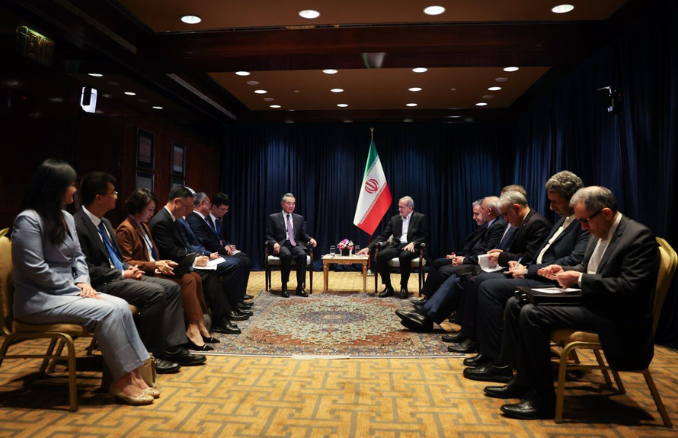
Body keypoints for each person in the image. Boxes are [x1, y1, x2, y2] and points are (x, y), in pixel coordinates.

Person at [486, 186, 659, 420]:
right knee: (518, 302)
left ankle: (543, 399)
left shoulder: (638, 237)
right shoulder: (599, 229)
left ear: (606, 213)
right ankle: (522, 381)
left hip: (615, 315)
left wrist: (579, 278)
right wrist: (563, 269)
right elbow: (587, 267)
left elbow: (630, 288)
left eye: (585, 221)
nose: (583, 228)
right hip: (591, 302)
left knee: (532, 314)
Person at [11, 159, 155, 405]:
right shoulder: (28, 220)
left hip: (68, 292)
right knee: (107, 311)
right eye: (71, 184)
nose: (75, 190)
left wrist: (83, 282)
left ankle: (134, 373)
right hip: (38, 299)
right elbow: (35, 268)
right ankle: (121, 380)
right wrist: (73, 288)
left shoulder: (66, 217)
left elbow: (78, 257)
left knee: (121, 305)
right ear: (55, 187)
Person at [74, 172, 206, 373]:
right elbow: (86, 269)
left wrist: (129, 268)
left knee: (172, 288)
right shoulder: (78, 224)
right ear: (99, 198)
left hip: (120, 277)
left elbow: (118, 260)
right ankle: (152, 354)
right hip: (100, 284)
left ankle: (172, 347)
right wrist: (122, 273)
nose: (117, 196)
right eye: (113, 192)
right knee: (157, 292)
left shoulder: (105, 223)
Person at [464, 171, 589, 380]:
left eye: (555, 202)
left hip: (553, 282)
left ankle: (497, 359)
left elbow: (574, 260)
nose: (551, 207)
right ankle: (492, 353)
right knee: (481, 282)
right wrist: (522, 264)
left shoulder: (584, 223)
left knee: (487, 287)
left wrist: (527, 269)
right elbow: (541, 254)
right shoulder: (563, 220)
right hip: (537, 273)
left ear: (572, 197)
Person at [116, 189, 216, 351]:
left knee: (194, 276)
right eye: (149, 210)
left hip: (154, 269)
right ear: (137, 207)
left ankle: (198, 323)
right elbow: (126, 262)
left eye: (153, 210)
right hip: (142, 274)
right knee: (187, 280)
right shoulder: (125, 229)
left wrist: (159, 264)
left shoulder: (143, 226)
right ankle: (192, 327)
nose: (152, 214)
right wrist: (155, 265)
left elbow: (153, 254)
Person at [149, 185, 246, 333]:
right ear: (177, 202)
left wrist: (197, 257)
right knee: (208, 274)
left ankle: (221, 315)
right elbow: (171, 251)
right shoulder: (162, 221)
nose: (189, 210)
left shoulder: (171, 218)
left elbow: (182, 247)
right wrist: (195, 259)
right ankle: (220, 318)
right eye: (187, 207)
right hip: (170, 266)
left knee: (211, 271)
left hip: (181, 261)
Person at [414, 197, 506, 304]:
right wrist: (458, 256)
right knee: (437, 263)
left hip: (478, 263)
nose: (479, 212)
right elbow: (474, 247)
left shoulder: (497, 226)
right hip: (470, 257)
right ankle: (430, 299)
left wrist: (463, 260)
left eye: (481, 209)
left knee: (444, 270)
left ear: (489, 211)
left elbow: (486, 252)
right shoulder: (490, 224)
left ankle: (439, 304)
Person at [186, 192, 252, 305]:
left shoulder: (204, 219)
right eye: (209, 203)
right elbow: (205, 242)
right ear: (202, 204)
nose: (210, 205)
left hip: (211, 252)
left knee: (244, 259)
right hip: (205, 254)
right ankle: (232, 302)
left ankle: (238, 297)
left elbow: (219, 238)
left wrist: (227, 246)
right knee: (237, 263)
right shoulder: (195, 219)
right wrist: (220, 251)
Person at [357, 196, 429, 299]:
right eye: (399, 207)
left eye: (401, 207)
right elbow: (384, 235)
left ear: (410, 208)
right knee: (381, 256)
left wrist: (413, 243)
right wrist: (369, 248)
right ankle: (388, 287)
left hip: (411, 247)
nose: (399, 209)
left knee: (404, 256)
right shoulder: (394, 219)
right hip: (396, 245)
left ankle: (404, 287)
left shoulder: (420, 218)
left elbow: (424, 236)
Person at [264, 193, 317, 298]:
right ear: (282, 204)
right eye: (288, 203)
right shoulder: (274, 217)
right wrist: (274, 243)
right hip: (281, 245)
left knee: (302, 255)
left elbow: (303, 235)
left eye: (293, 204)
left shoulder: (299, 218)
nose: (291, 206)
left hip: (294, 244)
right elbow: (268, 235)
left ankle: (300, 287)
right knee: (286, 255)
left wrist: (310, 239)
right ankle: (284, 287)